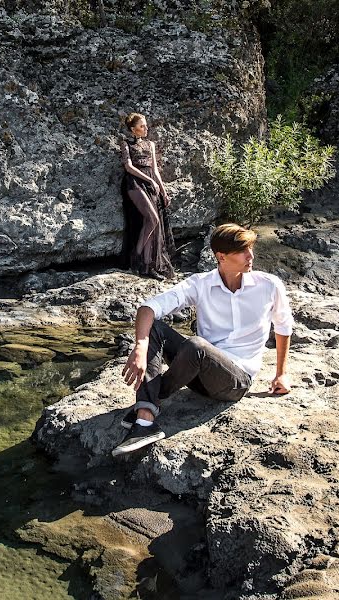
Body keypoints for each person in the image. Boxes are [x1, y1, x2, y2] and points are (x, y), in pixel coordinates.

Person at [112, 223, 294, 456]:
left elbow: (283, 325)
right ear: (221, 256)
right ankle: (145, 421)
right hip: (197, 373)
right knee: (156, 328)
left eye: (251, 248)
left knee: (197, 346)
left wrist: (281, 373)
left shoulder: (268, 285)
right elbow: (149, 307)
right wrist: (140, 346)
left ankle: (147, 403)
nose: (251, 256)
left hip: (235, 382)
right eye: (242, 251)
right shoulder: (201, 284)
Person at [120, 113, 175, 279]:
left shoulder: (150, 144)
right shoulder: (125, 143)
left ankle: (147, 266)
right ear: (132, 129)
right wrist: (149, 179)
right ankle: (136, 256)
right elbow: (128, 167)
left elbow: (156, 171)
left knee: (153, 224)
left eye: (146, 125)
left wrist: (163, 191)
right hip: (134, 183)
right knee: (153, 219)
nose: (146, 128)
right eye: (142, 126)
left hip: (151, 184)